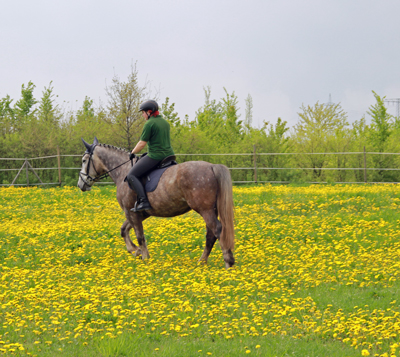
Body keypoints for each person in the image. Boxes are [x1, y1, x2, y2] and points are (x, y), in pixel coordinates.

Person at [126, 100, 174, 211]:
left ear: (149, 112)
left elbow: (142, 143)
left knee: (131, 176)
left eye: (143, 113)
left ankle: (144, 201)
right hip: (169, 155)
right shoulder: (165, 122)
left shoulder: (149, 124)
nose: (142, 115)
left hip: (156, 156)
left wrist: (132, 153)